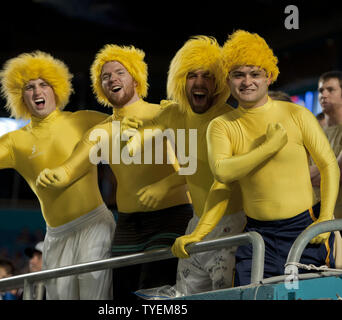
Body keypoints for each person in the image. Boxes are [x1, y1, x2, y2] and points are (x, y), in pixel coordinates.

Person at [0, 51, 115, 300]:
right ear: (21, 96)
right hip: (55, 235)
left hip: (95, 225)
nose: (37, 92)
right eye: (29, 87)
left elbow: (130, 126)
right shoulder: (15, 141)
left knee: (95, 297)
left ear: (56, 89)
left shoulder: (84, 120)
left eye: (44, 84)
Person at [36, 44, 193, 300]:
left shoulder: (166, 113)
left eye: (120, 72)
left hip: (171, 216)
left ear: (136, 78)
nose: (112, 79)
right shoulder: (102, 130)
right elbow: (69, 169)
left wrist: (163, 186)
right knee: (120, 296)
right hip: (128, 224)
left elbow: (195, 166)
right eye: (105, 76)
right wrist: (52, 176)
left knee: (156, 293)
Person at [190, 30, 339, 286]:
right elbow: (222, 176)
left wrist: (325, 216)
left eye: (255, 74)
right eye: (238, 74)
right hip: (258, 235)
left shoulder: (297, 114)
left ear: (269, 76)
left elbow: (328, 166)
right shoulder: (221, 126)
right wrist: (199, 233)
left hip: (303, 228)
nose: (247, 81)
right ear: (228, 79)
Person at [123, 36, 245, 295]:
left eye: (207, 76)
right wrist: (133, 139)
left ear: (219, 82)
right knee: (185, 295)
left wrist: (166, 183)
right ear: (180, 80)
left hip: (231, 227)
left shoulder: (230, 120)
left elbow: (215, 174)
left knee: (226, 296)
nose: (199, 82)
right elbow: (140, 139)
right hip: (196, 224)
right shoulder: (173, 114)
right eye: (192, 75)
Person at [311, 71, 342, 219]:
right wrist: (330, 167)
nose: (323, 94)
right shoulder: (314, 132)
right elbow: (299, 174)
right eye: (321, 90)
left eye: (330, 90)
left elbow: (338, 174)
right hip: (313, 217)